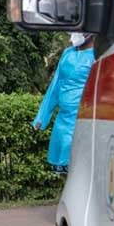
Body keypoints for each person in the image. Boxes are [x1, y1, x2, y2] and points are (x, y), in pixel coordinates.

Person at [33, 32, 97, 174]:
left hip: (83, 118)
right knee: (62, 167)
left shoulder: (96, 56)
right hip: (63, 120)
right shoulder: (68, 53)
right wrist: (42, 117)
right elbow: (55, 86)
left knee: (78, 166)